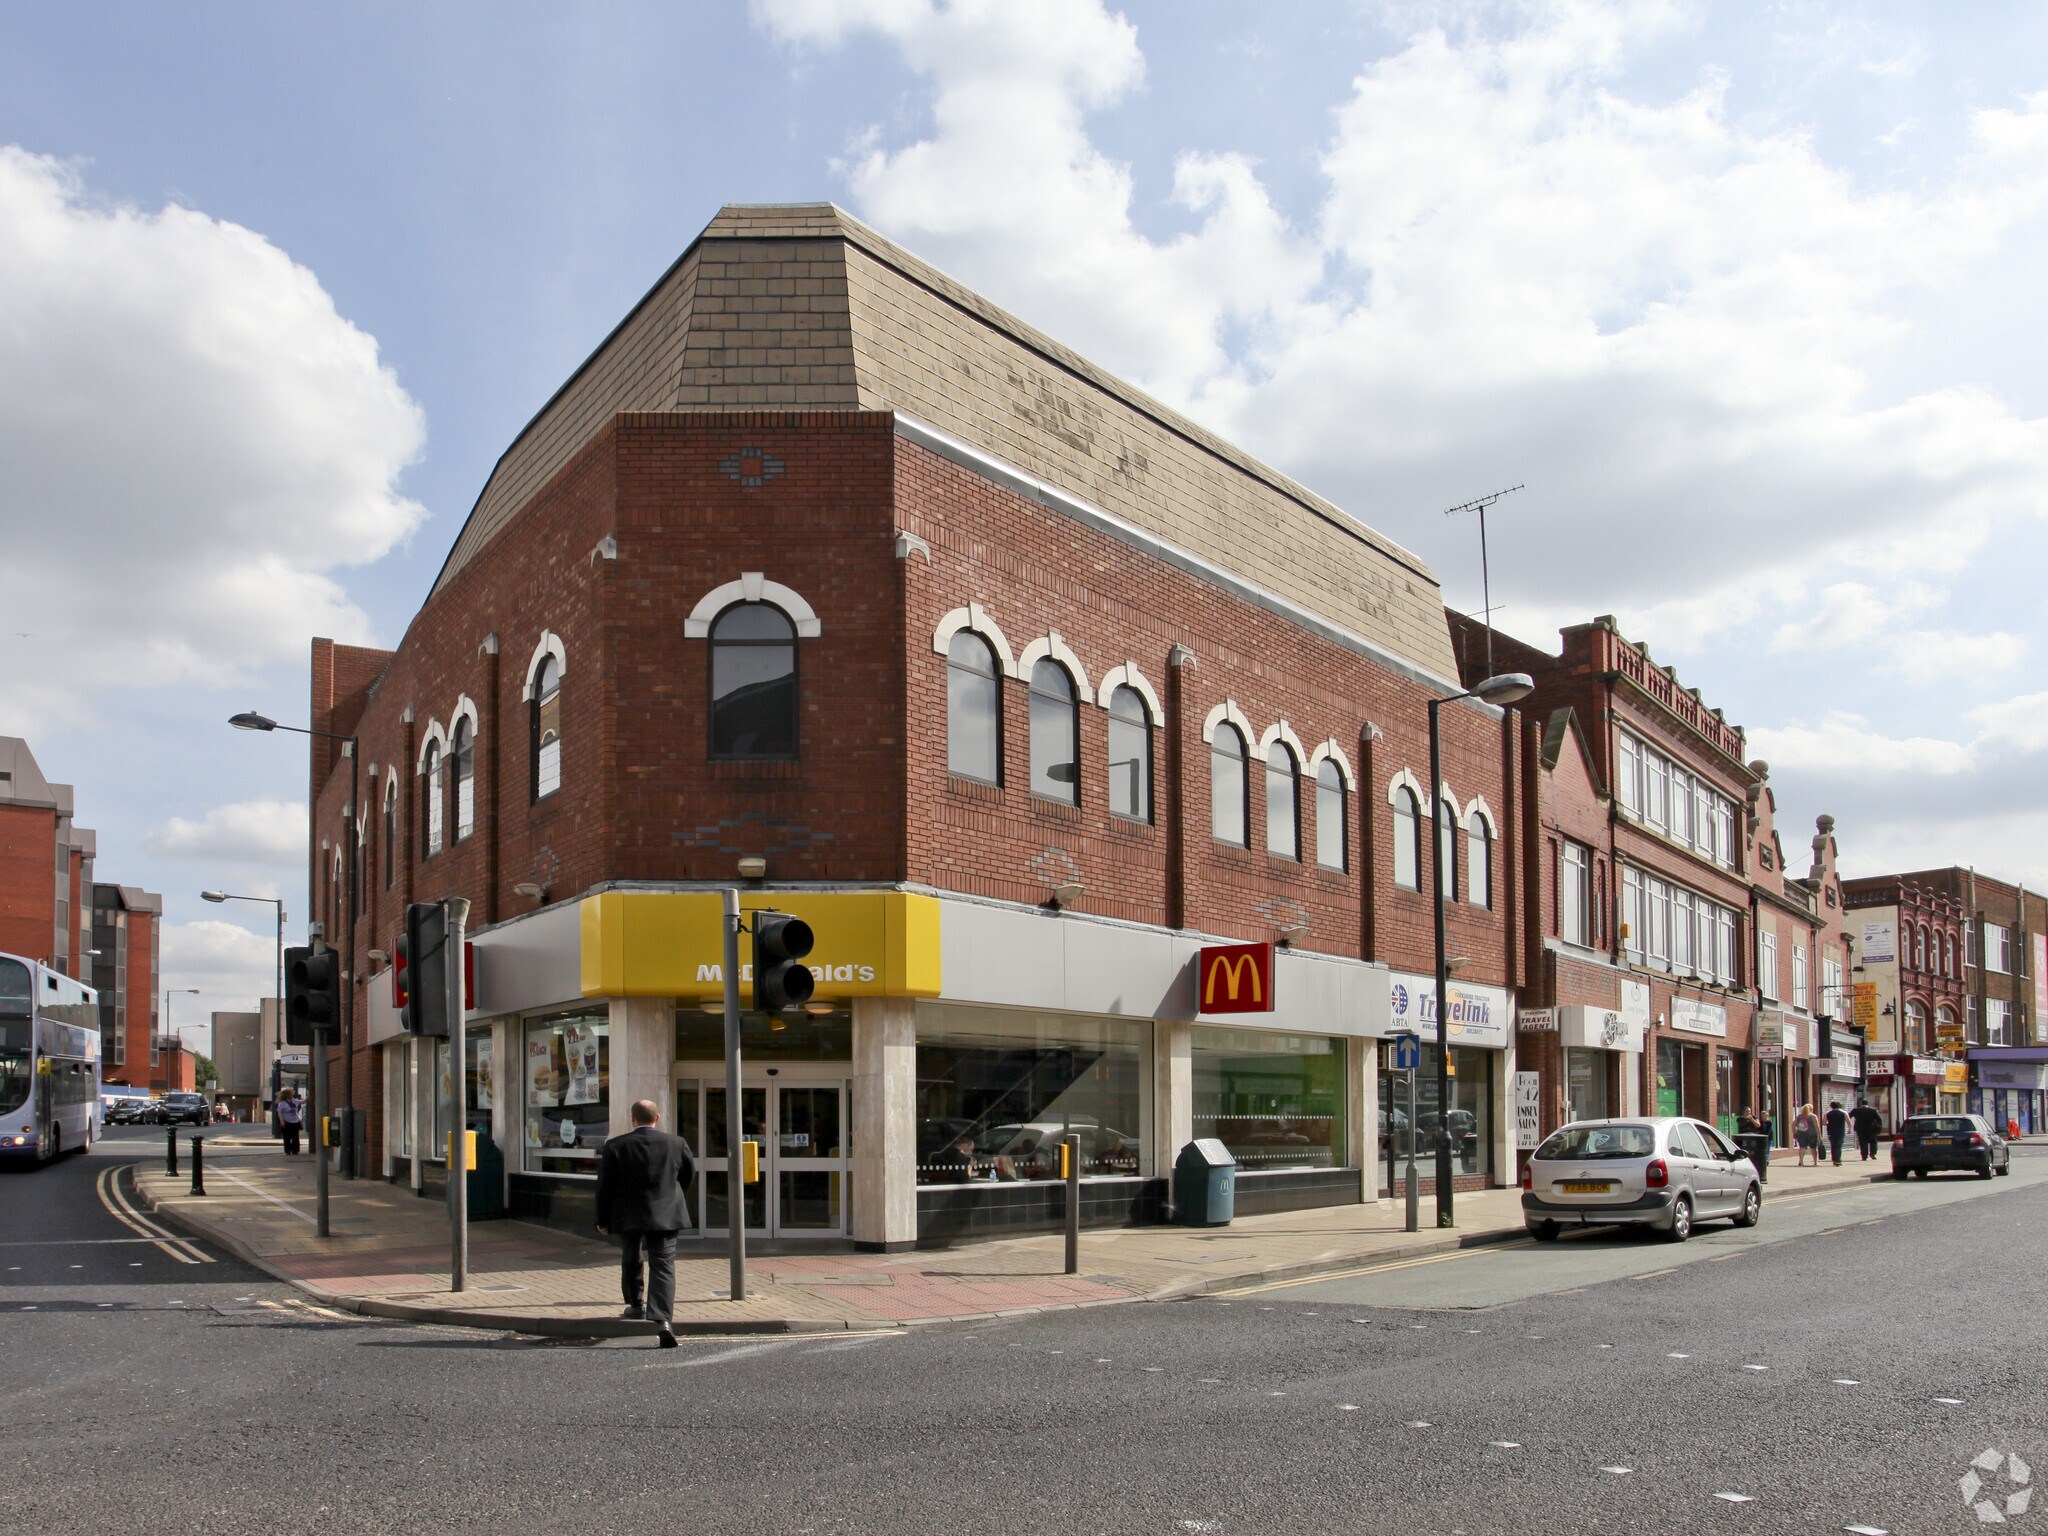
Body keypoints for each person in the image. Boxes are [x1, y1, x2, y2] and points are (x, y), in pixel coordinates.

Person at [595, 1098, 695, 1348]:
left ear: (633, 1119)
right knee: (663, 1265)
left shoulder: (615, 1146)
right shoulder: (676, 1143)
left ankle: (635, 1304)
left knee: (631, 1257)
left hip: (628, 1213)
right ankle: (663, 1320)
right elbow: (688, 1175)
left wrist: (602, 1219)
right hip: (666, 1213)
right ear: (657, 1118)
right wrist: (674, 1197)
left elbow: (605, 1186)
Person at [1792, 1102, 1821, 1167]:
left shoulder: (1799, 1116)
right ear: (1811, 1109)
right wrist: (1819, 1136)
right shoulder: (1813, 1116)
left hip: (1800, 1133)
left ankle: (1801, 1162)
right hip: (1812, 1134)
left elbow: (1793, 1124)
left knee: (1802, 1147)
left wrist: (1794, 1132)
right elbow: (1817, 1127)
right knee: (1813, 1148)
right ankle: (1815, 1162)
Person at [276, 1088, 303, 1156]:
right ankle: (287, 1150)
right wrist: (282, 1121)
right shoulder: (282, 1103)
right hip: (287, 1122)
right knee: (286, 1137)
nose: (292, 1094)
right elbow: (279, 1112)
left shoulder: (294, 1101)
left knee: (295, 1137)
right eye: (291, 1093)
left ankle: (295, 1150)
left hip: (295, 1122)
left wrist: (309, 1097)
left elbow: (302, 1102)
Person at [1823, 1100, 1848, 1167]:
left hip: (1831, 1131)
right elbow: (1848, 1121)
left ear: (1831, 1106)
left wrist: (1828, 1123)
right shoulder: (1844, 1113)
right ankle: (1837, 1159)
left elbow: (1824, 1123)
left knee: (1833, 1145)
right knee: (1839, 1145)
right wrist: (1849, 1129)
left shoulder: (1827, 1113)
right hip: (1840, 1131)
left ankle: (1834, 1159)